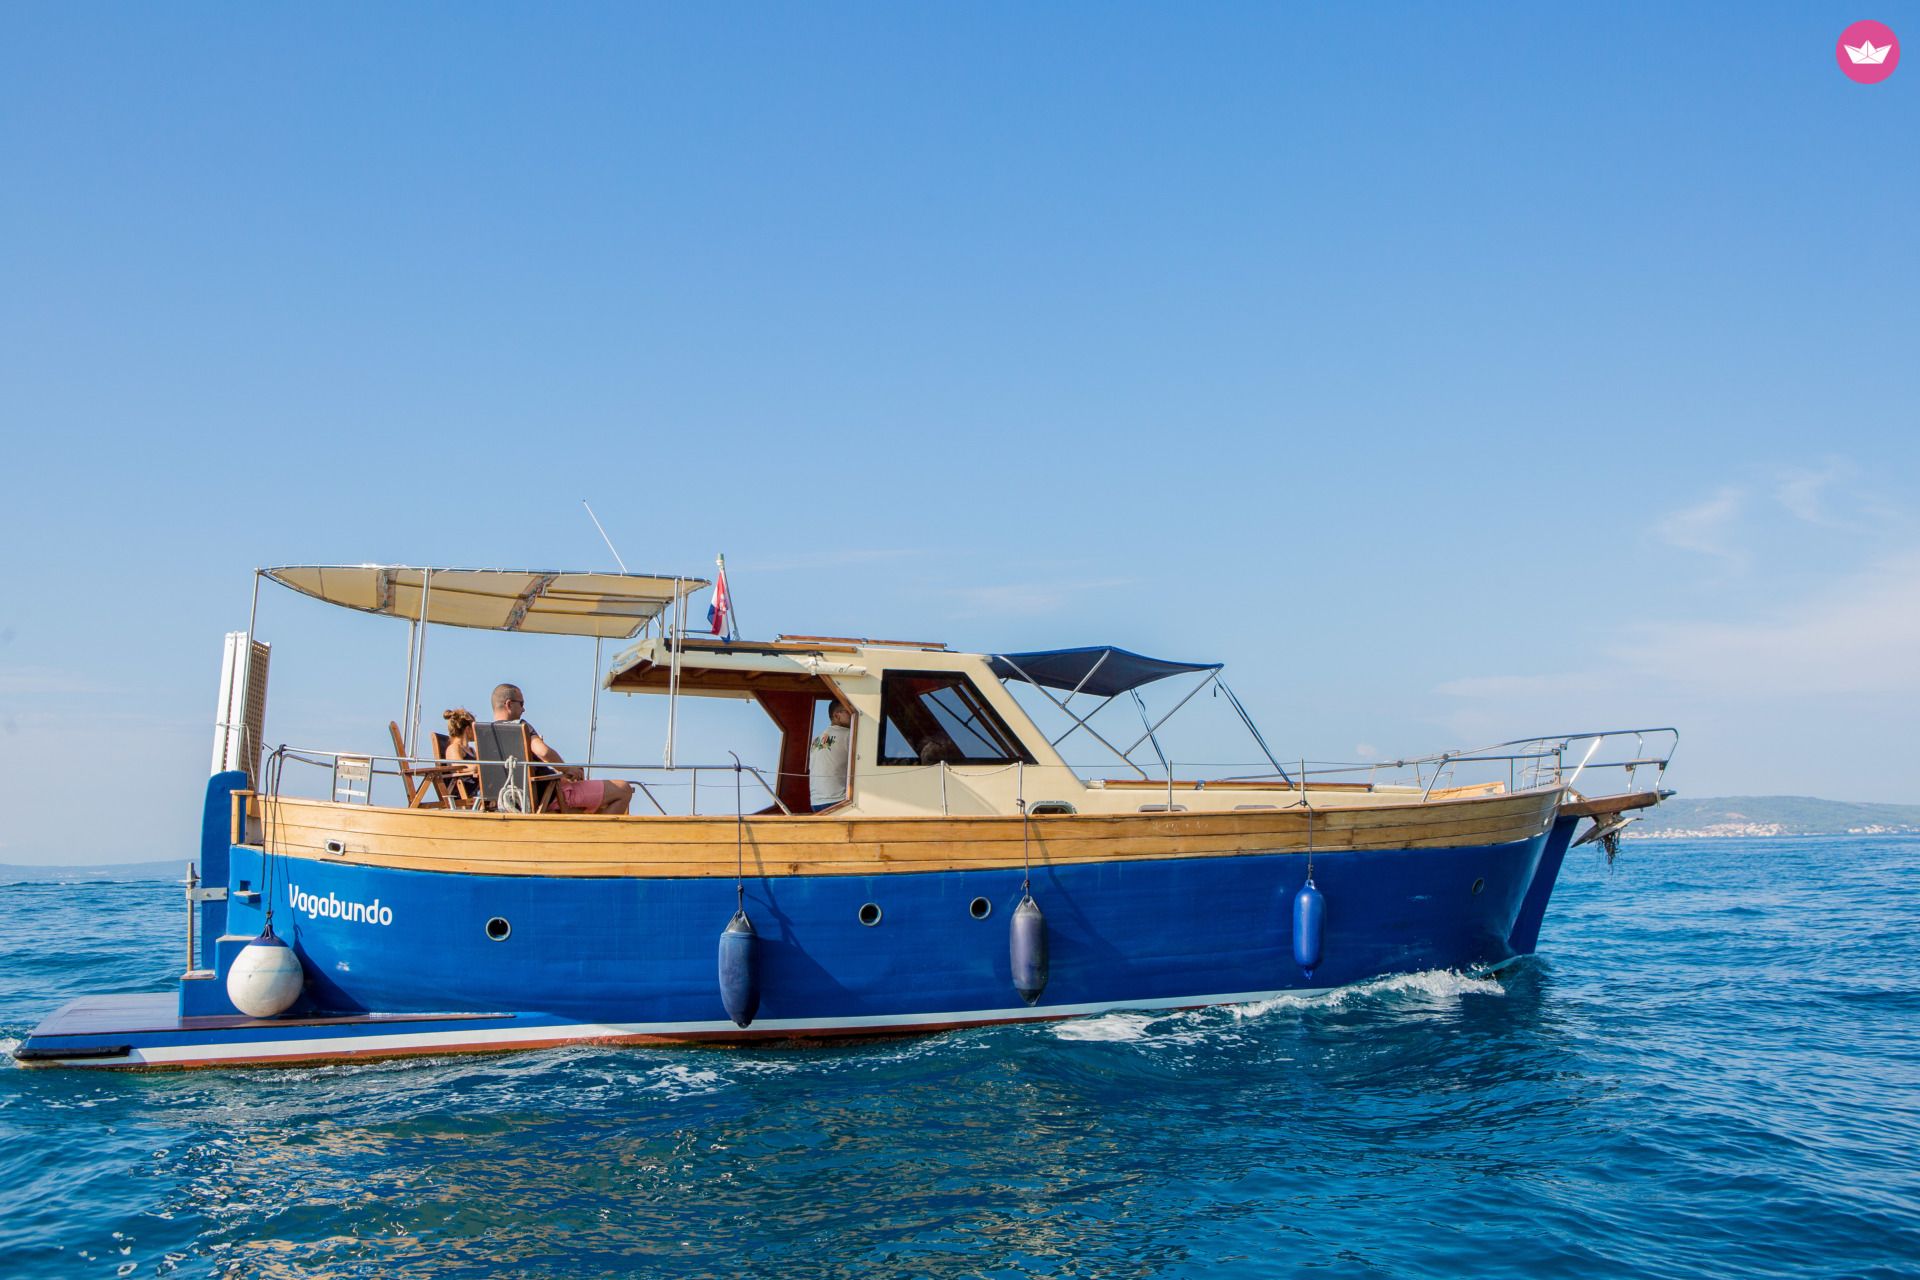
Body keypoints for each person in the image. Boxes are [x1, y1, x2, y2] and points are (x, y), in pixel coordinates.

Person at [491, 683, 634, 815]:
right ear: (509, 704)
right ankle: (598, 838)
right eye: (521, 704)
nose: (523, 709)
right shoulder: (521, 727)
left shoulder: (485, 735)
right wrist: (568, 770)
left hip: (507, 801)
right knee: (624, 790)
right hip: (548, 796)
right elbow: (543, 752)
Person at [809, 700, 853, 812]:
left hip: (815, 804)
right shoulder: (849, 735)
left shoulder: (816, 740)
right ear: (837, 716)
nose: (854, 715)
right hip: (839, 801)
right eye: (849, 712)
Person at [440, 707, 481, 806]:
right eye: (474, 728)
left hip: (475, 787)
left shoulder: (471, 750)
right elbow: (458, 766)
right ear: (467, 730)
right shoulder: (454, 747)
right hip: (462, 790)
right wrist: (477, 767)